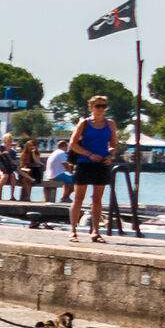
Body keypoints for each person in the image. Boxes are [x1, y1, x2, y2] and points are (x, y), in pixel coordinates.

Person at [67, 94, 120, 241]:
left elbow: (114, 144)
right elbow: (73, 144)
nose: (101, 109)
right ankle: (73, 230)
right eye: (98, 106)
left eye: (103, 106)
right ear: (91, 107)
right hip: (85, 162)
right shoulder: (84, 123)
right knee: (79, 198)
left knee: (97, 199)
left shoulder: (110, 124)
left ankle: (95, 231)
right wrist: (89, 154)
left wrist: (111, 156)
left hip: (102, 164)